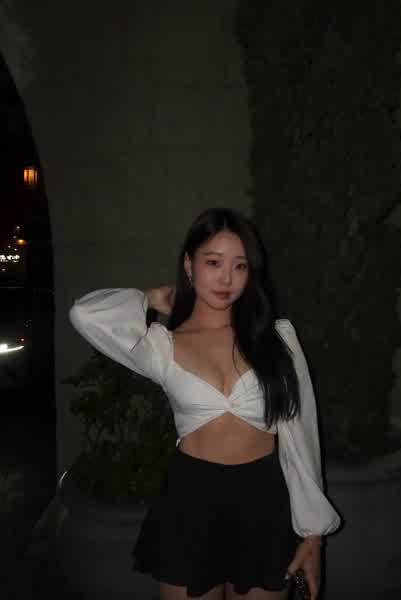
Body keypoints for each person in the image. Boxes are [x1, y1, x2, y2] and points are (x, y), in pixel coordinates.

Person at [69, 207, 341, 600]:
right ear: (189, 265)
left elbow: (301, 438)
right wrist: (149, 298)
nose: (226, 278)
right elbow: (85, 314)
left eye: (240, 266)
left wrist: (313, 535)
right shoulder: (162, 346)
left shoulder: (277, 340)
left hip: (263, 501)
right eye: (213, 262)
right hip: (190, 502)